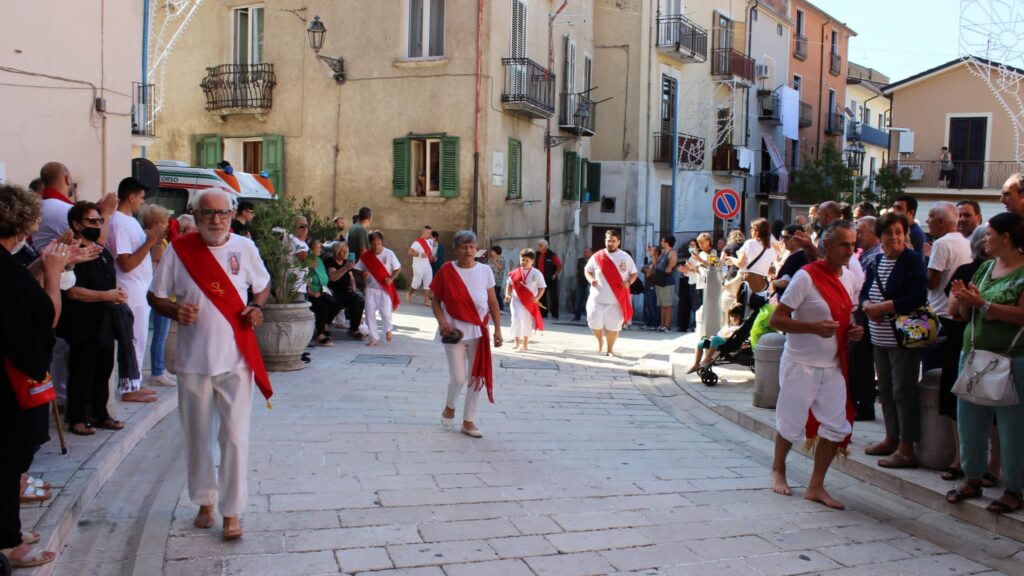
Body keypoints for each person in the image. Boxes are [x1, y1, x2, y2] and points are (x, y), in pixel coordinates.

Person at [148, 188, 271, 541]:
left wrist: (257, 307)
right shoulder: (180, 250)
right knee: (198, 436)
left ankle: (232, 511)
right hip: (193, 361)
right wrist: (175, 310)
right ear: (196, 215)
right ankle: (205, 500)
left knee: (235, 437)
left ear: (231, 215)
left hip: (237, 359)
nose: (215, 220)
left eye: (222, 213)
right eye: (208, 213)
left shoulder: (245, 248)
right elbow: (154, 295)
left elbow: (262, 286)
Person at [0, 185, 73, 569]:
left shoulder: (6, 262)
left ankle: (9, 529)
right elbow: (46, 317)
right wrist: (55, 274)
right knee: (9, 459)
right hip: (10, 381)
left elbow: (19, 288)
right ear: (24, 223)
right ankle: (7, 542)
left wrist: (45, 264)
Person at [769, 220, 863, 510]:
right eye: (844, 244)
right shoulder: (805, 277)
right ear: (827, 246)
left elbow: (847, 317)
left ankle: (816, 486)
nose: (849, 250)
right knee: (791, 424)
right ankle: (778, 468)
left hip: (832, 366)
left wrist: (853, 331)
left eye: (852, 244)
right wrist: (813, 328)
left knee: (837, 427)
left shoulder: (850, 278)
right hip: (800, 363)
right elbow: (777, 319)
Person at [947, 212, 1024, 515]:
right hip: (974, 355)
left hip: (1011, 360)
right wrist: (965, 301)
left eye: (990, 234)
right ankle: (973, 478)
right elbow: (965, 315)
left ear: (1007, 237)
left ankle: (1014, 488)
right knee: (970, 421)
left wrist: (985, 305)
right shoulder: (985, 267)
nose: (985, 239)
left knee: (1012, 427)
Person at [860, 212, 928, 468]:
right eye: (889, 232)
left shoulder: (911, 260)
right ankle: (891, 438)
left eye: (899, 232)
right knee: (886, 391)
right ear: (881, 236)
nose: (895, 237)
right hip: (879, 338)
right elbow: (864, 291)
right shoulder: (877, 260)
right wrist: (867, 305)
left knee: (904, 391)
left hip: (903, 340)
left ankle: (906, 448)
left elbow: (917, 296)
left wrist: (883, 307)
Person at [60, 201, 129, 435]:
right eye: (91, 221)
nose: (97, 225)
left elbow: (110, 281)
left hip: (105, 321)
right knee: (82, 369)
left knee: (104, 368)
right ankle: (78, 417)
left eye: (99, 220)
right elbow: (71, 291)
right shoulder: (72, 253)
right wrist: (105, 296)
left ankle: (100, 414)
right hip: (82, 321)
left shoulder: (102, 251)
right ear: (76, 224)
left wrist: (117, 294)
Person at [430, 230, 503, 438]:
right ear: (456, 249)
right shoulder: (446, 270)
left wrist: (498, 330)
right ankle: (450, 406)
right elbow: (436, 301)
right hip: (453, 332)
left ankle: (468, 420)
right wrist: (442, 322)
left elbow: (493, 303)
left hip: (479, 332)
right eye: (464, 247)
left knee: (476, 376)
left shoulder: (485, 271)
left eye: (472, 246)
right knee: (458, 377)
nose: (469, 250)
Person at [107, 177, 163, 403]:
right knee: (134, 340)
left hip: (139, 289)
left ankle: (135, 382)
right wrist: (149, 243)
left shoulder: (130, 221)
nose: (142, 202)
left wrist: (154, 241)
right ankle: (129, 388)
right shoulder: (119, 222)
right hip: (130, 290)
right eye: (140, 198)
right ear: (130, 197)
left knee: (139, 338)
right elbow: (126, 263)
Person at [923, 204, 973, 428]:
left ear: (941, 221)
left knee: (929, 375)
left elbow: (931, 282)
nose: (927, 222)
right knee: (949, 376)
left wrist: (923, 261)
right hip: (956, 318)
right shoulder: (965, 241)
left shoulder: (941, 243)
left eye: (931, 217)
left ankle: (932, 430)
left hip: (937, 316)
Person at [584, 229, 638, 356]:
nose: (611, 243)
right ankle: (600, 341)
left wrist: (629, 282)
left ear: (618, 242)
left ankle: (610, 349)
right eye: (608, 241)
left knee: (614, 327)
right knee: (594, 324)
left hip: (617, 300)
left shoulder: (625, 257)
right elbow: (587, 270)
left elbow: (634, 273)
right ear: (605, 241)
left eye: (613, 241)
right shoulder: (597, 256)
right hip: (597, 300)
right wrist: (591, 280)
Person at [850, 215, 882, 421]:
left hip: (867, 314)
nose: (858, 236)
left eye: (861, 232)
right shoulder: (865, 255)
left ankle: (864, 404)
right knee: (859, 361)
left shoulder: (875, 256)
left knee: (862, 362)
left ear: (874, 233)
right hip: (862, 311)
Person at [144, 205, 177, 388]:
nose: (167, 226)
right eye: (164, 222)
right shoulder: (157, 244)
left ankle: (160, 368)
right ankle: (157, 370)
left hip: (162, 293)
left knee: (161, 334)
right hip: (160, 294)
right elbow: (156, 269)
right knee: (160, 335)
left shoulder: (160, 243)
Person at [355, 230, 401, 346]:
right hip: (370, 289)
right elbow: (358, 269)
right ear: (369, 243)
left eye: (378, 244)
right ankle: (374, 338)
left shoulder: (389, 253)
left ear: (381, 242)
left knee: (386, 313)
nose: (376, 247)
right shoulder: (366, 256)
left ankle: (388, 329)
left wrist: (391, 278)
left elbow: (397, 268)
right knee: (369, 314)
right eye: (373, 244)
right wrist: (363, 274)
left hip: (384, 289)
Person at [505, 248, 546, 351]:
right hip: (516, 300)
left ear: (532, 261)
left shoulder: (537, 273)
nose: (524, 262)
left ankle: (525, 343)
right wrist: (508, 294)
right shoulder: (515, 273)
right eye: (522, 260)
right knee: (516, 318)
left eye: (527, 260)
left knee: (527, 321)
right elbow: (509, 284)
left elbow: (542, 287)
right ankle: (516, 342)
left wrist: (537, 297)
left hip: (529, 301)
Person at [323, 241, 364, 339]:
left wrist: (354, 288)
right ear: (337, 252)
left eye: (346, 251)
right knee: (337, 303)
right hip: (333, 291)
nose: (345, 253)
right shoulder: (331, 261)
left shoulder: (346, 262)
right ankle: (326, 325)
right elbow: (332, 277)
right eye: (343, 251)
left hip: (345, 291)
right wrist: (346, 268)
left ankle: (354, 329)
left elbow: (351, 278)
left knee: (359, 300)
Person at [687, 304, 744, 373]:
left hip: (728, 343)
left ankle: (707, 358)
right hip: (719, 340)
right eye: (731, 316)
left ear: (741, 316)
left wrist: (720, 337)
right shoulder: (728, 325)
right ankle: (696, 364)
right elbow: (720, 333)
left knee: (715, 339)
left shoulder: (739, 327)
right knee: (700, 343)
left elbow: (730, 336)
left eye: (736, 316)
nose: (733, 318)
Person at [728, 218, 776, 294]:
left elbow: (740, 263)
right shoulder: (771, 248)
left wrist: (732, 259)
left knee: (736, 299)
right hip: (763, 283)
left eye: (752, 228)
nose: (750, 230)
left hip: (748, 281)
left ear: (757, 231)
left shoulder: (750, 243)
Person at [307, 239, 341, 346]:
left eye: (320, 247)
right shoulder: (308, 260)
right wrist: (312, 293)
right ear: (311, 249)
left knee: (337, 304)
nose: (320, 250)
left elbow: (325, 276)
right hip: (313, 292)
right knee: (323, 304)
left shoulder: (319, 260)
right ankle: (321, 334)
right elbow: (306, 280)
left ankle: (326, 324)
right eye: (317, 247)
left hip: (323, 290)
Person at [771, 225, 809, 300]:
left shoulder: (797, 257)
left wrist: (774, 283)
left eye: (786, 237)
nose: (783, 240)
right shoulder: (799, 255)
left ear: (797, 239)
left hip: (789, 300)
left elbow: (785, 282)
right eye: (782, 237)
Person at [407, 225, 437, 306]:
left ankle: (426, 301)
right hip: (418, 266)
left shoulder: (430, 241)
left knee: (428, 283)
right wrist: (420, 255)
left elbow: (430, 251)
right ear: (423, 232)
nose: (430, 235)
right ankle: (409, 293)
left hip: (427, 266)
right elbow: (410, 252)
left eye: (430, 233)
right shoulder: (417, 242)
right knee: (416, 283)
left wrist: (433, 257)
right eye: (428, 233)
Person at [655, 235, 678, 332]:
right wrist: (653, 254)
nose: (661, 242)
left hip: (667, 282)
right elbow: (656, 264)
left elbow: (671, 266)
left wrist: (667, 270)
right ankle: (662, 324)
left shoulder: (672, 253)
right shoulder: (663, 252)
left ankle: (667, 326)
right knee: (662, 305)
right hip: (659, 282)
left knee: (668, 305)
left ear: (667, 242)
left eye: (662, 241)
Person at [536, 239, 562, 319]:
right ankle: (543, 313)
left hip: (551, 279)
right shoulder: (537, 254)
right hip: (540, 279)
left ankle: (555, 314)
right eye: (538, 245)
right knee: (541, 297)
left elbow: (559, 266)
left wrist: (555, 274)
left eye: (541, 245)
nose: (539, 247)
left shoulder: (552, 255)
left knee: (553, 297)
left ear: (546, 246)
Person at [642, 245, 661, 330]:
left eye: (652, 250)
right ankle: (648, 323)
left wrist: (647, 270)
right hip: (647, 286)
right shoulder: (651, 261)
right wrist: (647, 270)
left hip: (653, 286)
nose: (650, 251)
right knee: (648, 306)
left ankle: (654, 324)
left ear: (656, 252)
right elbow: (643, 269)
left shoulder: (657, 261)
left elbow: (649, 273)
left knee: (653, 306)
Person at [575, 247, 593, 322]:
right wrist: (577, 279)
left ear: (591, 253)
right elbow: (578, 271)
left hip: (590, 283)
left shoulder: (594, 260)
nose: (585, 253)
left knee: (590, 301)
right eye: (584, 252)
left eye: (587, 252)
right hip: (581, 283)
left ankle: (590, 318)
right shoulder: (580, 261)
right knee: (578, 300)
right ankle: (577, 317)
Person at [489, 246, 506, 312]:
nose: (491, 252)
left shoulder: (502, 259)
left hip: (498, 280)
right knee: (491, 294)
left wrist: (495, 262)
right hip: (490, 279)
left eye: (492, 251)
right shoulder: (490, 259)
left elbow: (501, 268)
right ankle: (491, 308)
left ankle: (501, 308)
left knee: (497, 294)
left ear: (496, 251)